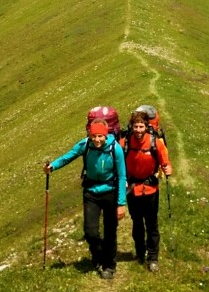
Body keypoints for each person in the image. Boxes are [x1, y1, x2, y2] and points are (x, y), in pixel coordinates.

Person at [44, 119, 126, 279]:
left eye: (100, 136)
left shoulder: (115, 149)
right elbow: (68, 156)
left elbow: (122, 176)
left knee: (110, 231)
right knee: (90, 232)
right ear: (89, 133)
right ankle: (99, 255)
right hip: (91, 192)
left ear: (106, 134)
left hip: (111, 191)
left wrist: (121, 203)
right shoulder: (85, 145)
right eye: (94, 135)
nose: (97, 140)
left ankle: (109, 266)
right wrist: (52, 167)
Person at [122, 109, 172, 271]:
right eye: (135, 126)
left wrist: (168, 168)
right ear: (131, 127)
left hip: (150, 189)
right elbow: (117, 161)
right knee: (137, 222)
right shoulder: (125, 143)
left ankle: (153, 257)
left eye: (141, 127)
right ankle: (140, 251)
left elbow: (165, 162)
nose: (138, 130)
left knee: (151, 224)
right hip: (132, 189)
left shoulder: (155, 143)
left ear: (146, 127)